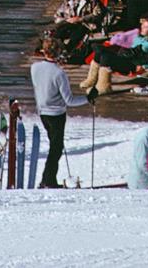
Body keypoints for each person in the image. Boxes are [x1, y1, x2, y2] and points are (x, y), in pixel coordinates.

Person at [30, 34, 90, 188]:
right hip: (56, 114)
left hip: (42, 112)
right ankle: (48, 180)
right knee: (56, 149)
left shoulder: (34, 67)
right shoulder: (59, 73)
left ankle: (48, 179)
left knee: (54, 146)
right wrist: (88, 98)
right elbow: (69, 100)